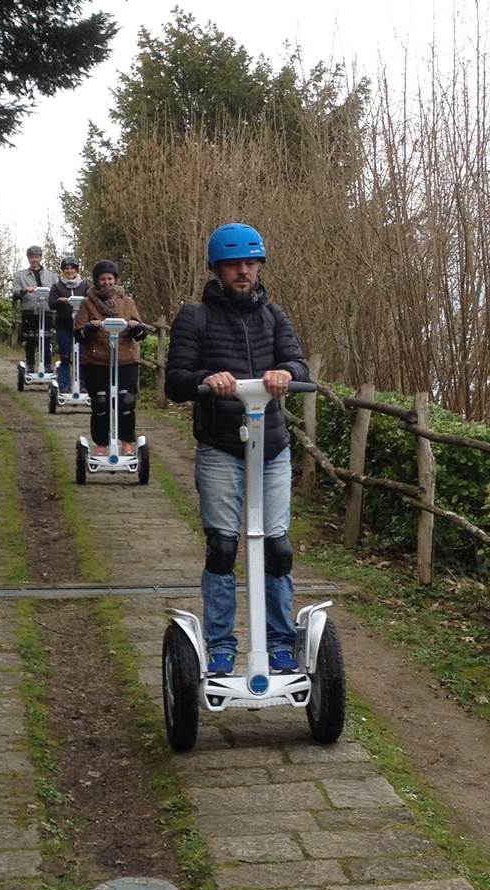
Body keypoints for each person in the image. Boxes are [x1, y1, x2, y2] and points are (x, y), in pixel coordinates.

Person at [163, 224, 309, 676]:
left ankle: (281, 643)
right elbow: (175, 381)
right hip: (222, 447)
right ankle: (221, 644)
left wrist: (285, 371)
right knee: (224, 547)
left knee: (278, 548)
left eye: (250, 263)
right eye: (233, 265)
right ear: (218, 269)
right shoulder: (195, 318)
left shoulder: (273, 316)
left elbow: (298, 362)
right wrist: (209, 378)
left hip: (271, 447)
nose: (243, 272)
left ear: (259, 266)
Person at [75, 260, 146, 456]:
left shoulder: (127, 302)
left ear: (115, 280)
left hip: (126, 361)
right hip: (97, 361)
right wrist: (90, 327)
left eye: (109, 278)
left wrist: (135, 327)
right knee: (100, 404)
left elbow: (141, 331)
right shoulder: (87, 303)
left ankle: (128, 441)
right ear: (97, 281)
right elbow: (78, 334)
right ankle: (100, 443)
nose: (106, 282)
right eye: (102, 279)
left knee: (127, 402)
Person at [10, 245, 59, 372]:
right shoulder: (20, 276)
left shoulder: (52, 275)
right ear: (28, 258)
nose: (34, 259)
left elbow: (57, 292)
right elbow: (15, 294)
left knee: (46, 339)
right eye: (32, 257)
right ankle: (30, 365)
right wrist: (24, 290)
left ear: (40, 258)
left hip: (46, 311)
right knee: (30, 339)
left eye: (36, 257)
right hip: (29, 311)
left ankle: (47, 366)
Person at [48, 254, 89, 393]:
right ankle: (64, 385)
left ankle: (83, 385)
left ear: (76, 270)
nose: (69, 271)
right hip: (63, 326)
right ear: (63, 270)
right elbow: (51, 304)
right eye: (66, 268)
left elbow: (91, 302)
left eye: (72, 268)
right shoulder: (57, 286)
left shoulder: (84, 286)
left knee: (82, 357)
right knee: (65, 356)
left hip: (81, 327)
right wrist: (61, 301)